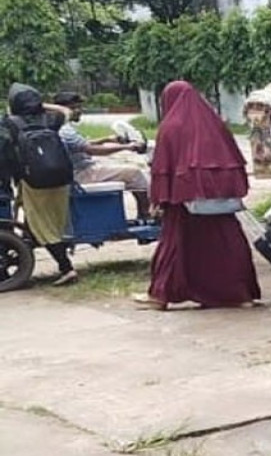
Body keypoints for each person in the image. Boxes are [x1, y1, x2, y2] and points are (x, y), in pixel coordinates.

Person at [133, 80, 260, 311]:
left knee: (175, 246)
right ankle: (240, 295)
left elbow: (163, 167)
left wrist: (159, 198)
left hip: (182, 201)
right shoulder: (215, 124)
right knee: (227, 244)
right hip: (218, 202)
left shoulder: (171, 126)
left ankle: (160, 296)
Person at [2, 83, 78, 285]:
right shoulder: (51, 118)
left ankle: (66, 268)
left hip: (33, 183)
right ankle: (40, 250)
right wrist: (41, 105)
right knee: (54, 223)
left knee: (42, 227)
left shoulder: (9, 123)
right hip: (61, 180)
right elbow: (66, 110)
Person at [51, 92, 151, 221]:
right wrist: (129, 147)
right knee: (134, 173)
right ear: (64, 109)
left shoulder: (58, 126)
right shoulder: (65, 130)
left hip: (77, 171)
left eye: (79, 107)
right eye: (74, 108)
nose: (79, 111)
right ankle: (146, 215)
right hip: (82, 173)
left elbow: (81, 145)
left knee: (125, 170)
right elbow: (91, 150)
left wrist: (108, 139)